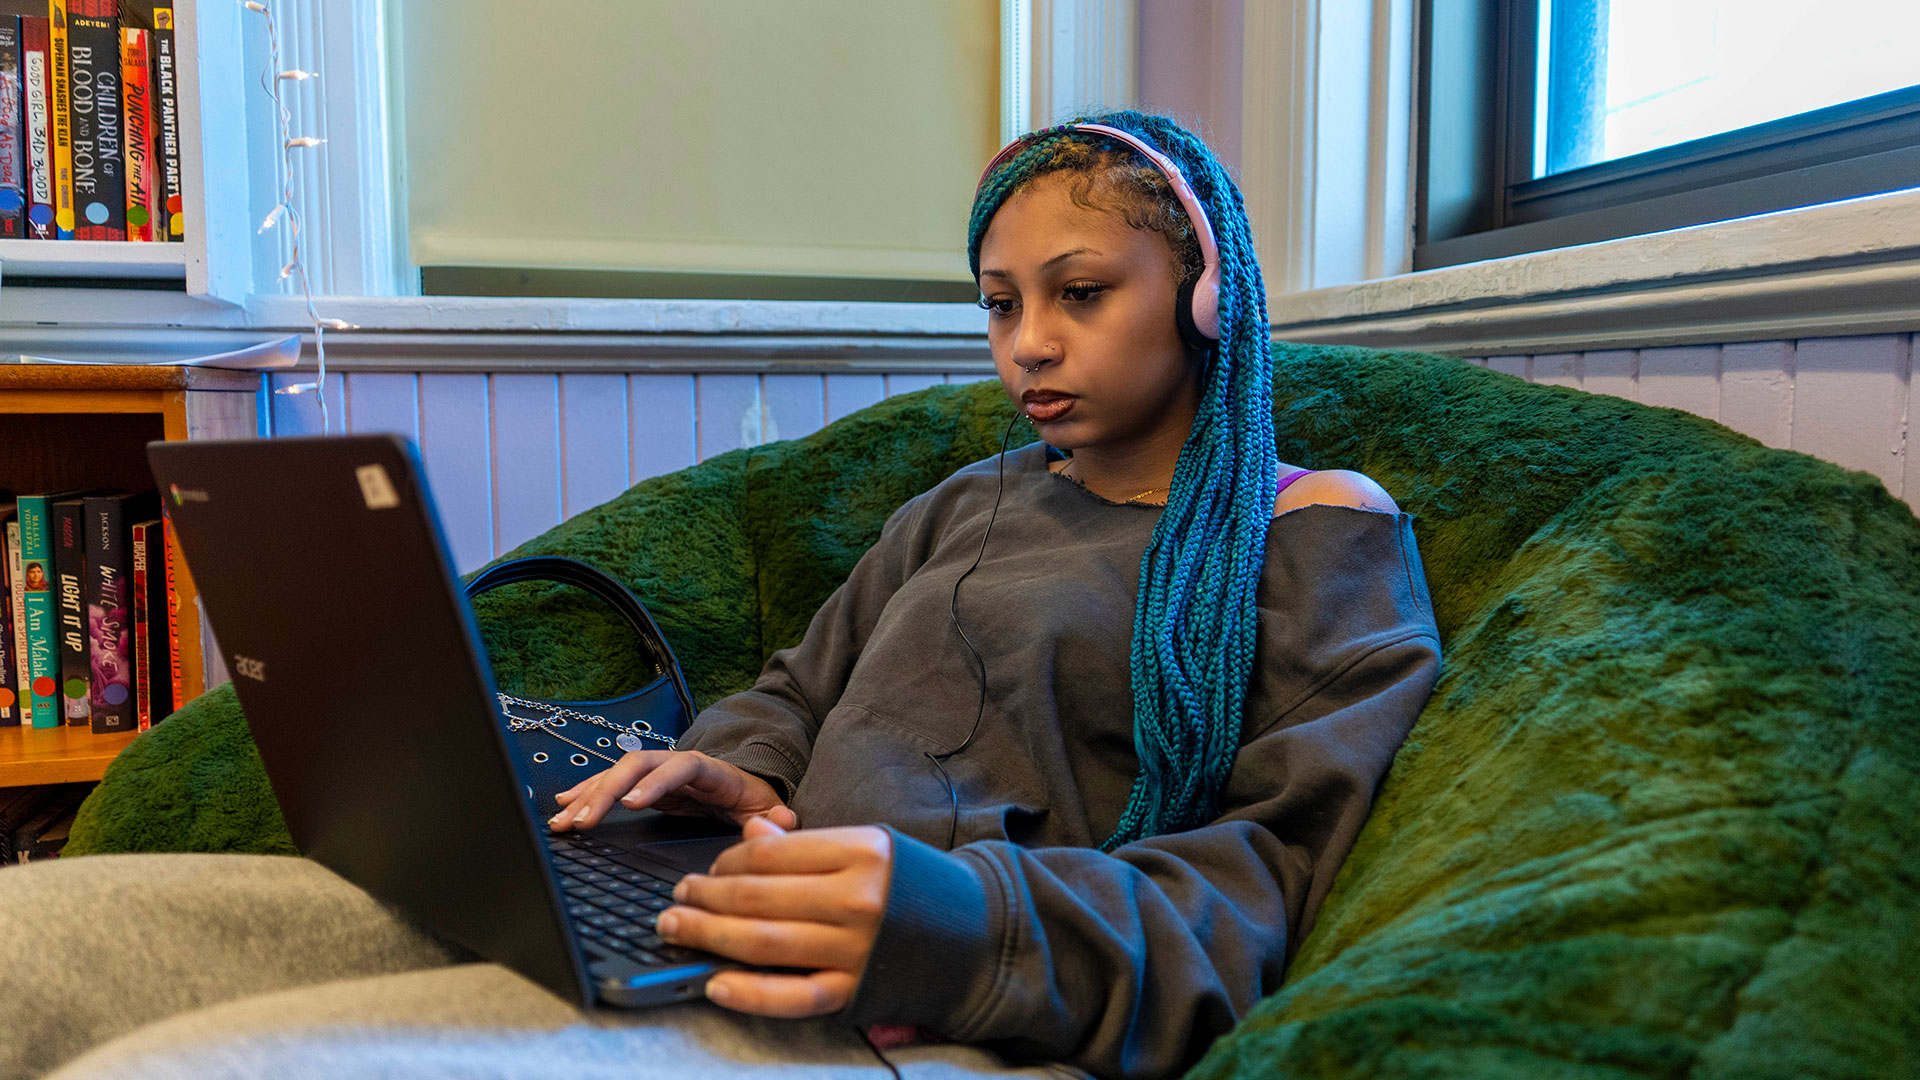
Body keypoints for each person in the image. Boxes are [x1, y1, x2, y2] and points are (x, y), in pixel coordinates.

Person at [0, 112, 1439, 1080]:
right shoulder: (971, 503)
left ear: (1205, 293)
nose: (1029, 344)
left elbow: (1268, 891)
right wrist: (725, 768)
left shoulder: (1314, 535)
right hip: (710, 905)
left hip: (903, 1009)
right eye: (1002, 304)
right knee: (31, 950)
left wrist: (951, 922)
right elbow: (800, 693)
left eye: (1081, 292)